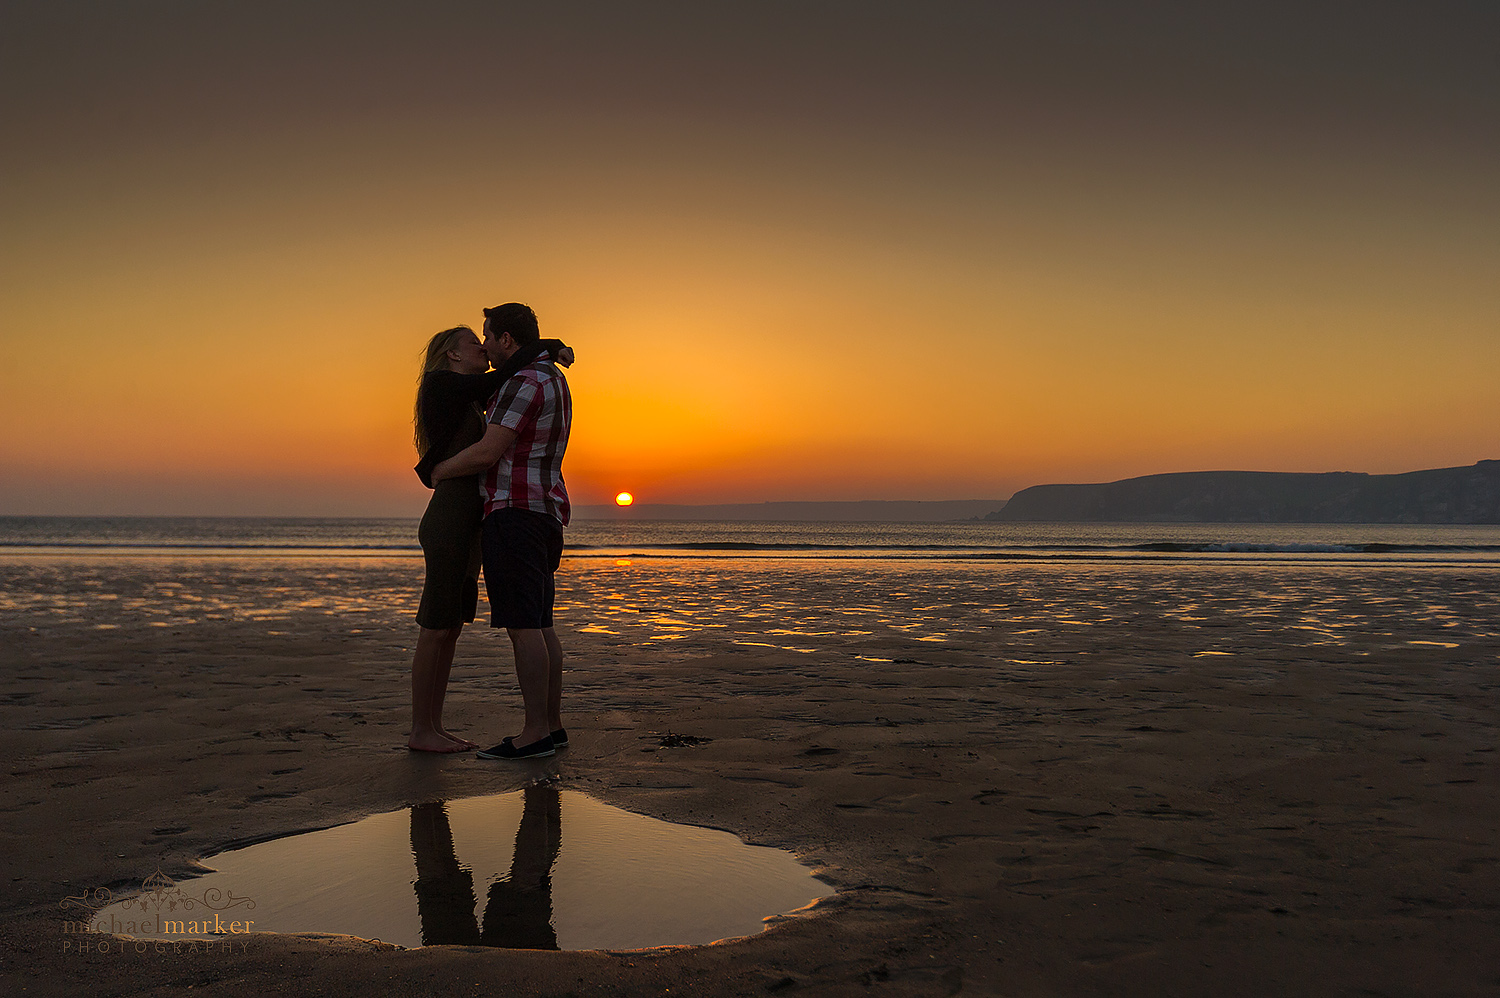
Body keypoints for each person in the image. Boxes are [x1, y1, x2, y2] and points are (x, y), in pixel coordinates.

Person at [408, 323, 571, 752]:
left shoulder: (469, 395)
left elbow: (503, 385)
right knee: (435, 626)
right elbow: (506, 376)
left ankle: (434, 726)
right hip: (448, 520)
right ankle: (420, 730)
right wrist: (548, 347)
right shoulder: (440, 384)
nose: (482, 348)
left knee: (452, 628)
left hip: (469, 520)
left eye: (486, 340)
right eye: (472, 343)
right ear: (452, 355)